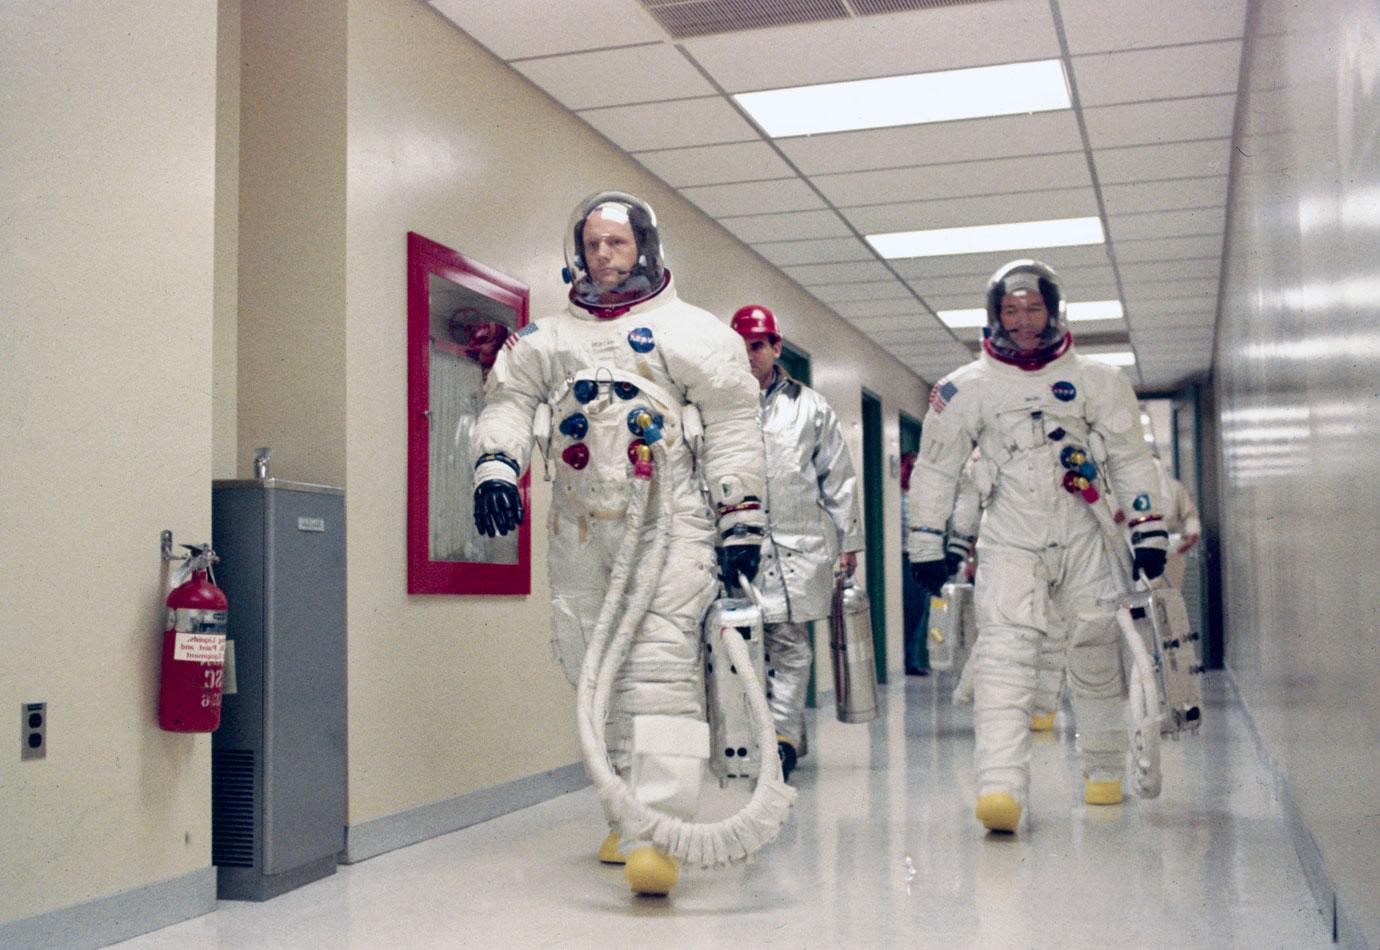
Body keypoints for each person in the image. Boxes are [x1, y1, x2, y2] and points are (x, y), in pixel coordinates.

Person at [471, 192, 767, 895]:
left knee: (659, 671)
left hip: (671, 523)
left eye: (619, 244)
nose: (604, 256)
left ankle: (656, 833)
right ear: (579, 250)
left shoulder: (692, 333)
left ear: (646, 249)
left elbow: (730, 424)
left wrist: (740, 515)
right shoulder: (545, 339)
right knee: (591, 669)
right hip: (583, 529)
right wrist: (495, 466)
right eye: (594, 244)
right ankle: (624, 810)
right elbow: (508, 403)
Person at [907, 259, 1169, 834]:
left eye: (1033, 308)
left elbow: (1129, 458)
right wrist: (926, 543)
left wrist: (1149, 529)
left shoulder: (1098, 379)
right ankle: (1000, 788)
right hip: (1011, 535)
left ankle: (1104, 771)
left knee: (1096, 650)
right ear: (993, 317)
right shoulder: (965, 387)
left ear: (1053, 310)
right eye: (1010, 310)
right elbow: (936, 469)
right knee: (1004, 659)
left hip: (1083, 529)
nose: (1023, 321)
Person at [731, 304, 863, 780]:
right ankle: (769, 737)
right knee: (745, 647)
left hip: (798, 547)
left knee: (790, 647)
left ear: (776, 347)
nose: (749, 356)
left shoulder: (811, 407)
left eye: (757, 346)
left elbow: (838, 478)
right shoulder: (719, 404)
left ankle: (782, 743)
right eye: (741, 346)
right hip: (736, 549)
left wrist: (850, 540)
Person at [900, 452, 931, 676]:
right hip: (901, 558)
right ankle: (903, 659)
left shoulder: (920, 498)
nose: (911, 473)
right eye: (907, 467)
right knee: (905, 609)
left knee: (918, 609)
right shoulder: (895, 500)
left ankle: (911, 659)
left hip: (920, 558)